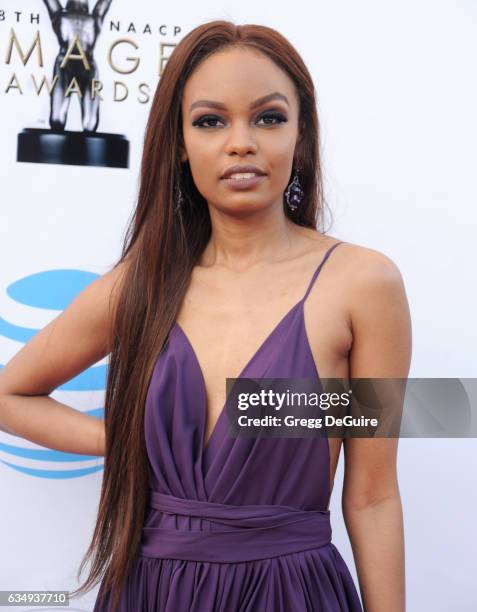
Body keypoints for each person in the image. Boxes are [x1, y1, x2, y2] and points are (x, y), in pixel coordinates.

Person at [0, 19, 411, 612]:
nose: (240, 142)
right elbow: (12, 394)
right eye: (210, 120)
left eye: (268, 117)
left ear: (301, 135)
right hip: (153, 591)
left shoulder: (363, 284)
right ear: (180, 142)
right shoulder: (144, 283)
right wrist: (124, 442)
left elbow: (372, 496)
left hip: (290, 593)